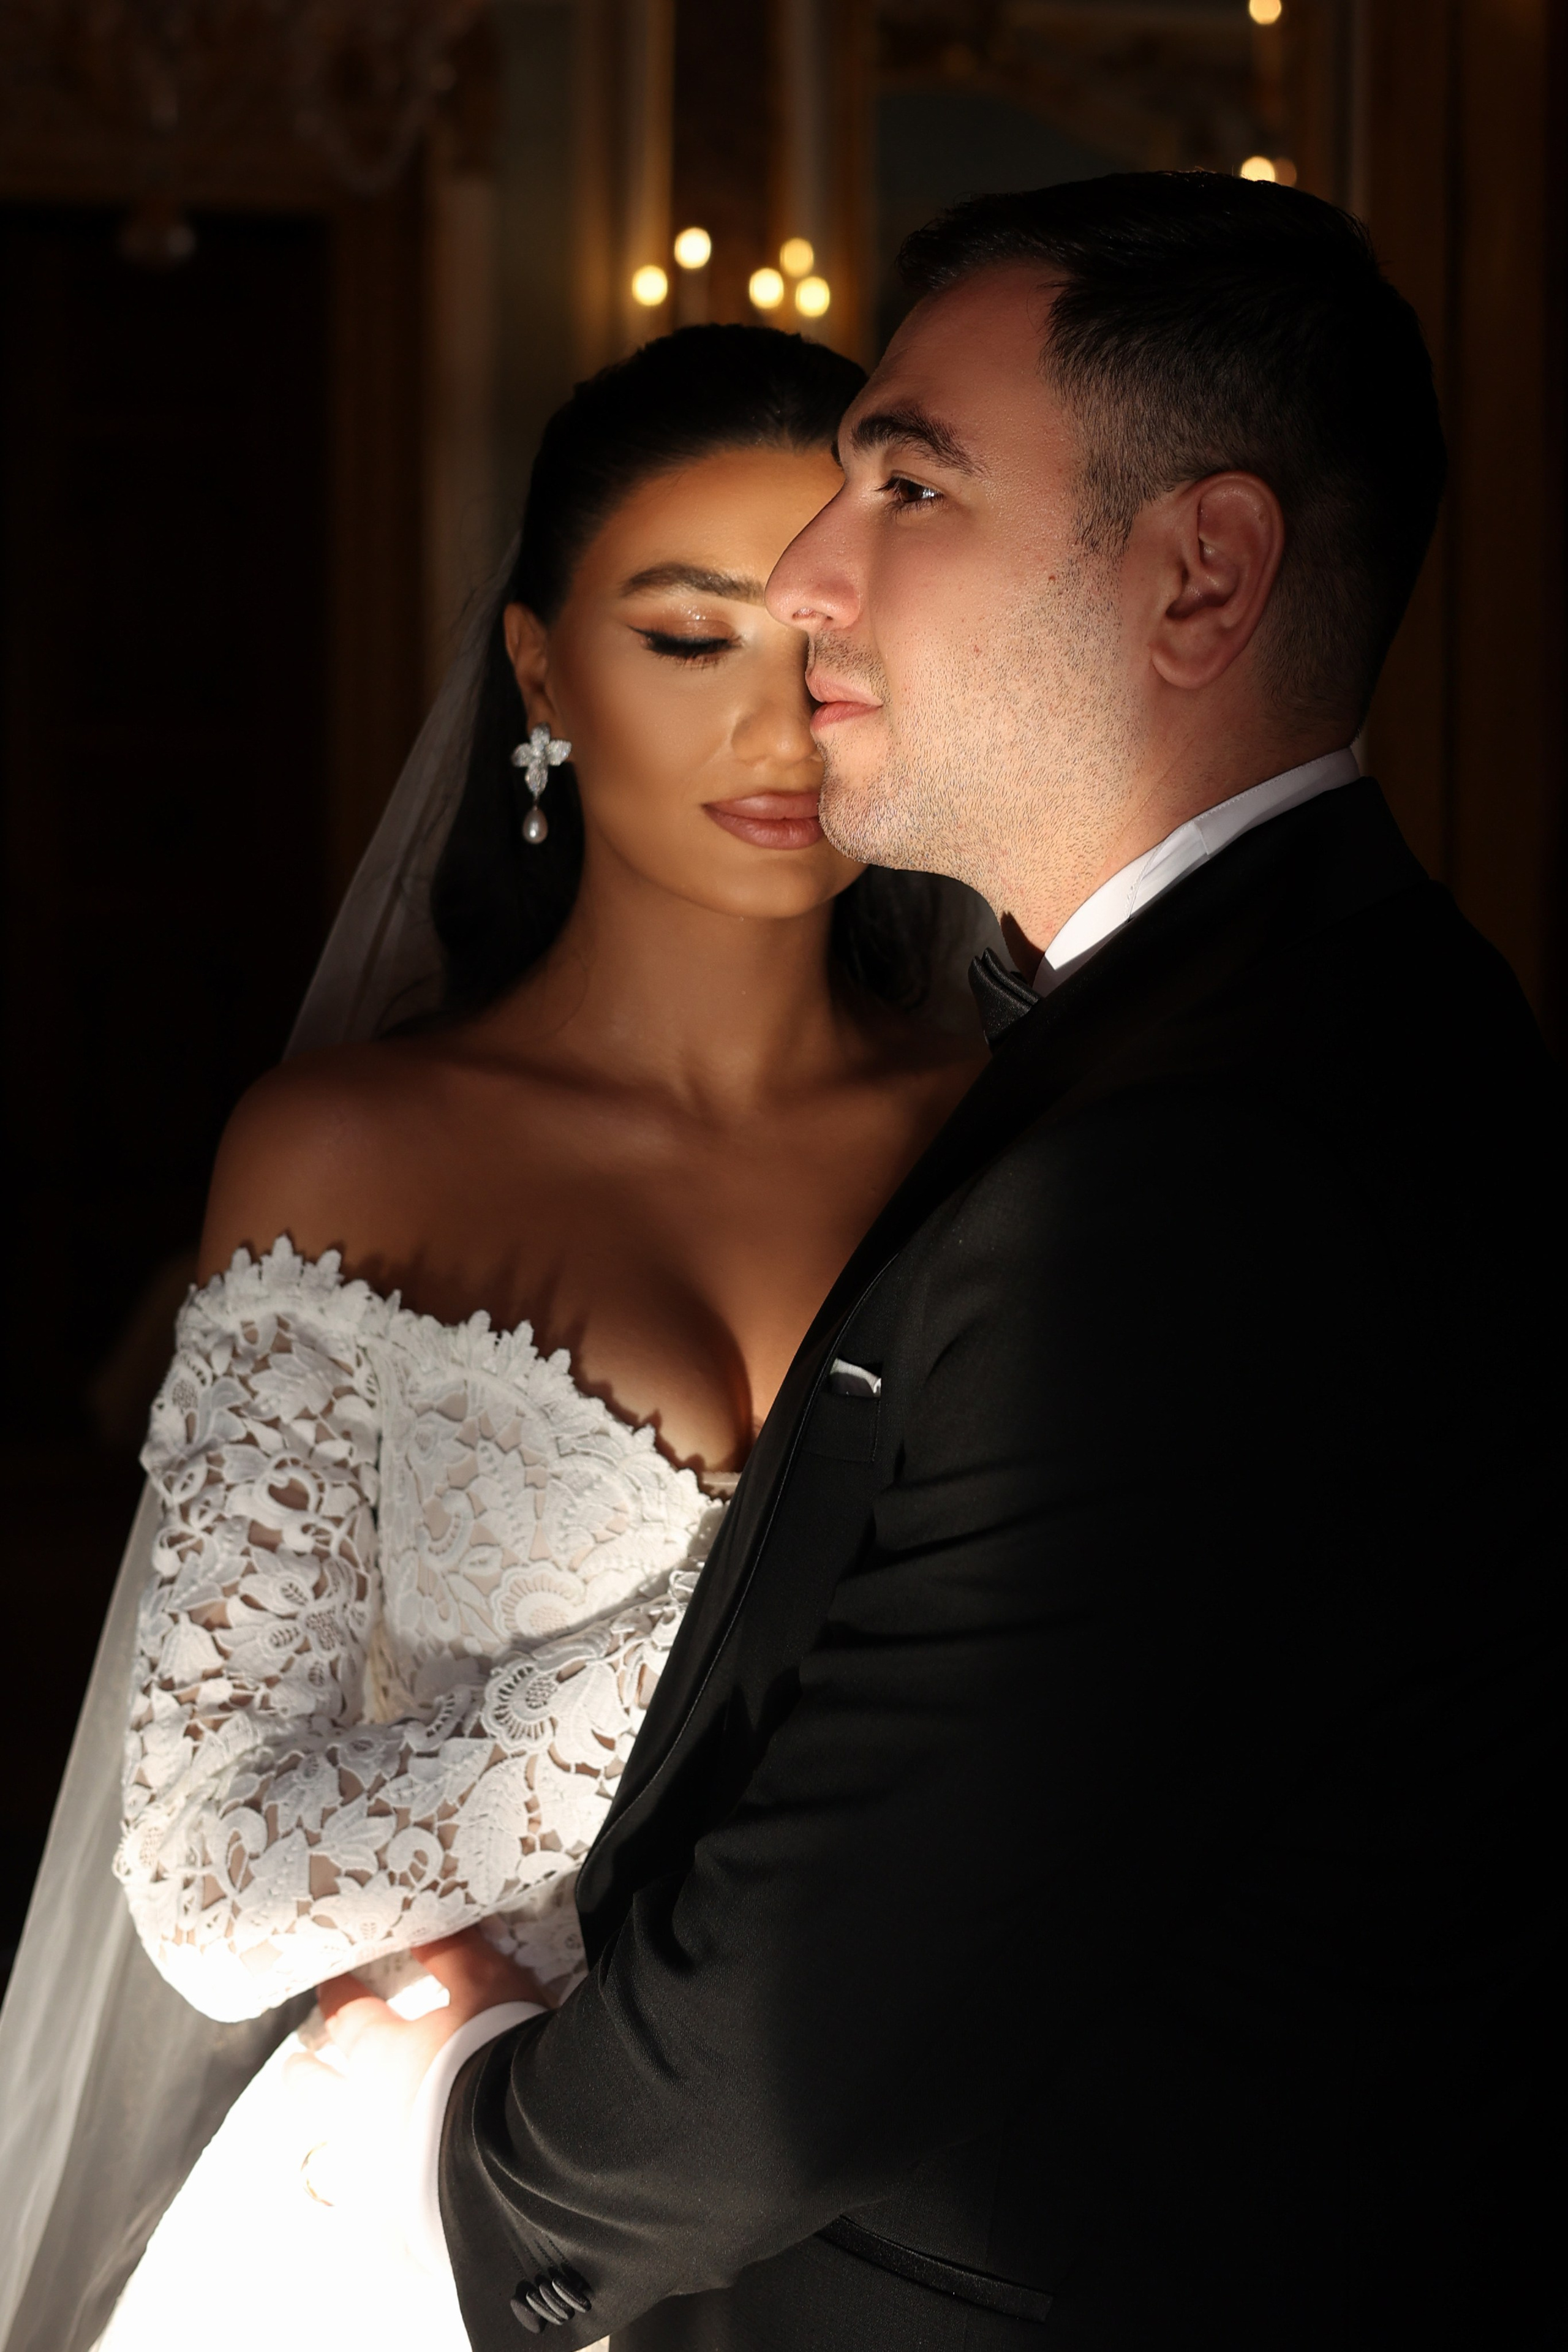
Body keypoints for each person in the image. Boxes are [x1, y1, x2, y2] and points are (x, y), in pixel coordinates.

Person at [358, 175, 1561, 2349]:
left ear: (1204, 573)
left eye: (906, 482)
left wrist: (452, 2131)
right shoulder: (1282, 1023)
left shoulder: (1207, 1161)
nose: (815, 580)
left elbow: (843, 1990)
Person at [0, 323, 983, 2352]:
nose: (780, 726)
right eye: (684, 640)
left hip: (915, 2186)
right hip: (427, 2202)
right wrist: (785, 1611)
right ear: (542, 676)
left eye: (818, 635)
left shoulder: (1003, 1134)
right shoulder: (356, 1153)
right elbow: (204, 1882)